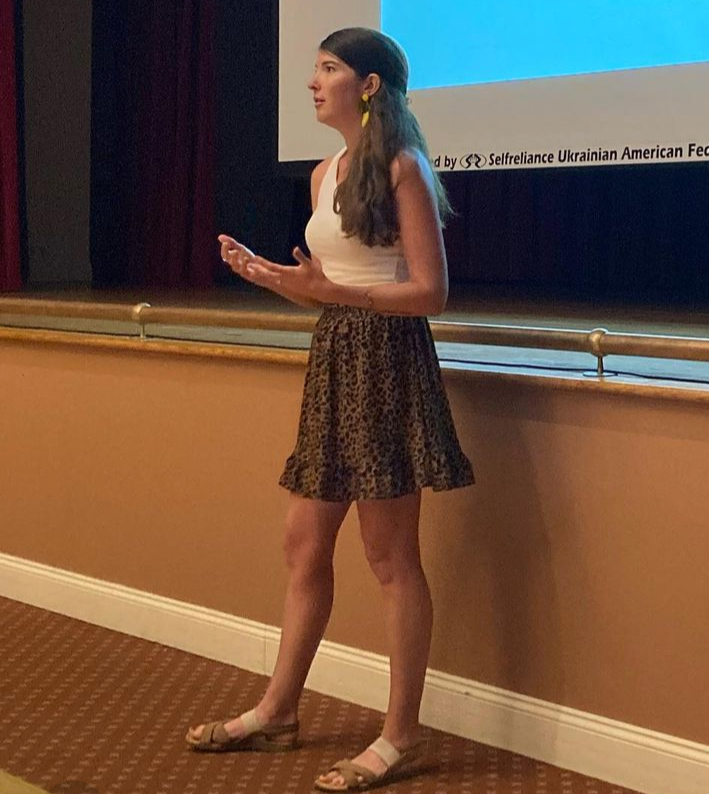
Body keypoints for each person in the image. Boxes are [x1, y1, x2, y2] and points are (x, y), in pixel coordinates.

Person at [184, 27, 474, 792]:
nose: (313, 82)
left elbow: (431, 292)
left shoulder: (403, 166)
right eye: (314, 68)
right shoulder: (323, 173)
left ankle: (401, 734)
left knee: (389, 557)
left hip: (386, 363)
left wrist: (332, 292)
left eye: (328, 68)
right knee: (303, 546)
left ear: (369, 86)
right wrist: (274, 279)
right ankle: (279, 710)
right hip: (335, 359)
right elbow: (328, 285)